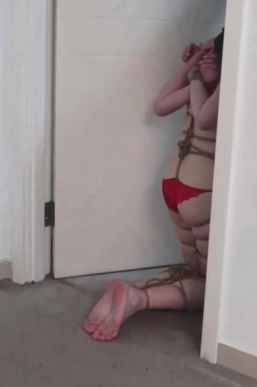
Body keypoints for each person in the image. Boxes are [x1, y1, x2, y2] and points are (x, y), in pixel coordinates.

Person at [82, 29, 225, 342]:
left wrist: (192, 71)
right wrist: (196, 74)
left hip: (173, 182)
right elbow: (201, 118)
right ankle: (139, 299)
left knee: (192, 269)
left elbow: (161, 105)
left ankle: (131, 290)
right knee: (214, 283)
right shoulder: (221, 87)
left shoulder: (199, 87)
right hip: (199, 189)